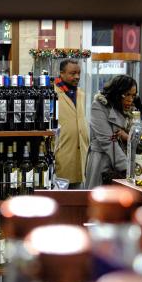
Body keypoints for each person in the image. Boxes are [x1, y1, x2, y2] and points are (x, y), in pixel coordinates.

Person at [84, 74, 138, 189]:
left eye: (133, 95)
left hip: (125, 162)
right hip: (102, 162)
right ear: (117, 92)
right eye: (127, 94)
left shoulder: (131, 110)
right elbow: (107, 141)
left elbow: (140, 139)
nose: (130, 99)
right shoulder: (99, 106)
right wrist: (128, 169)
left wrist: (126, 137)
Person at [54, 59, 89, 189]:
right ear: (61, 73)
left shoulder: (81, 94)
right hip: (62, 156)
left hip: (81, 157)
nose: (77, 77)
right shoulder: (53, 93)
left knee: (76, 200)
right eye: (72, 73)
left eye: (79, 73)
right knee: (60, 200)